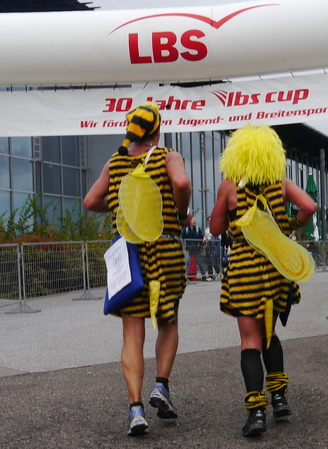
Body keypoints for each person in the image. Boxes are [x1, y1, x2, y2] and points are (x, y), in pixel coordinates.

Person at [83, 101, 192, 436]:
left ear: (130, 131)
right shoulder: (168, 157)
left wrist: (120, 204)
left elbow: (90, 201)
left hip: (128, 255)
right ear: (157, 131)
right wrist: (181, 214)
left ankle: (135, 409)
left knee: (132, 333)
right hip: (165, 249)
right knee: (168, 321)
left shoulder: (115, 162)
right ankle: (161, 385)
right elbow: (182, 184)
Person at [209, 124, 317, 437]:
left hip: (244, 268)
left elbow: (215, 229)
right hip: (275, 266)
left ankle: (256, 412)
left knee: (249, 341)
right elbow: (310, 206)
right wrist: (291, 225)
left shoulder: (229, 186)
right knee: (269, 335)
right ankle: (279, 398)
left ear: (237, 154)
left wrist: (229, 213)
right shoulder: (280, 183)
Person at [183, 216, 206, 281]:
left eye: (195, 220)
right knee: (187, 261)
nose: (194, 221)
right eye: (193, 220)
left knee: (200, 262)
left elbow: (201, 237)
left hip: (197, 249)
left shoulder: (198, 229)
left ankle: (204, 276)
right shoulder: (186, 229)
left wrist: (202, 242)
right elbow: (183, 237)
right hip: (188, 249)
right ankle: (186, 276)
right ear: (189, 221)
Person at [203, 216, 222, 281]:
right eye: (209, 220)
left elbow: (219, 238)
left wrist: (211, 239)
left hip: (215, 247)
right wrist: (204, 240)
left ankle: (218, 272)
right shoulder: (207, 230)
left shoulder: (217, 228)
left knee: (213, 261)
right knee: (209, 262)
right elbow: (205, 237)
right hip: (208, 247)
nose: (210, 221)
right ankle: (211, 276)